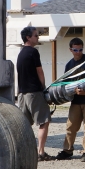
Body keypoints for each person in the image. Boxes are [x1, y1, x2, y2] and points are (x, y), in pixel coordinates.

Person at [56, 37, 85, 162]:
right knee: (71, 127)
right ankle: (67, 150)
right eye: (75, 50)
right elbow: (66, 84)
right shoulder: (69, 65)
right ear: (70, 50)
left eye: (80, 49)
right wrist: (74, 91)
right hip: (76, 101)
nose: (78, 52)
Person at [16, 26, 52, 161]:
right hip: (34, 92)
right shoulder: (33, 52)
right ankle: (40, 152)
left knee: (25, 124)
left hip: (22, 93)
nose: (38, 37)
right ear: (28, 38)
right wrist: (43, 87)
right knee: (44, 121)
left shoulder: (21, 53)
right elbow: (40, 72)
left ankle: (23, 151)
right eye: (36, 35)